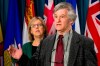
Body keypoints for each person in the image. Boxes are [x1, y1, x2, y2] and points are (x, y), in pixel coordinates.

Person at [8, 2, 97, 66]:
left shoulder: (85, 43)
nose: (57, 20)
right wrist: (21, 57)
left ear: (71, 20)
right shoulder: (45, 43)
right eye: (56, 17)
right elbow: (34, 64)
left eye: (62, 17)